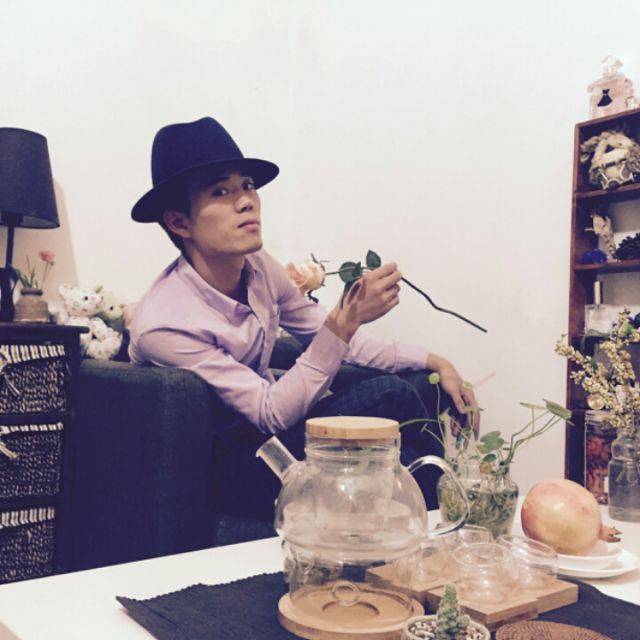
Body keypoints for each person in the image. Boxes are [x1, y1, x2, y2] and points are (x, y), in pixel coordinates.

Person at [129, 117, 477, 540]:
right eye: (221, 192)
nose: (246, 201)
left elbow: (333, 338)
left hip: (281, 434)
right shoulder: (165, 324)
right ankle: (441, 528)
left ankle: (429, 529)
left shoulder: (258, 267)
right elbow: (270, 411)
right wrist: (346, 319)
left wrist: (435, 361)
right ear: (179, 222)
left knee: (411, 392)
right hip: (233, 466)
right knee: (391, 395)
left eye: (248, 185)